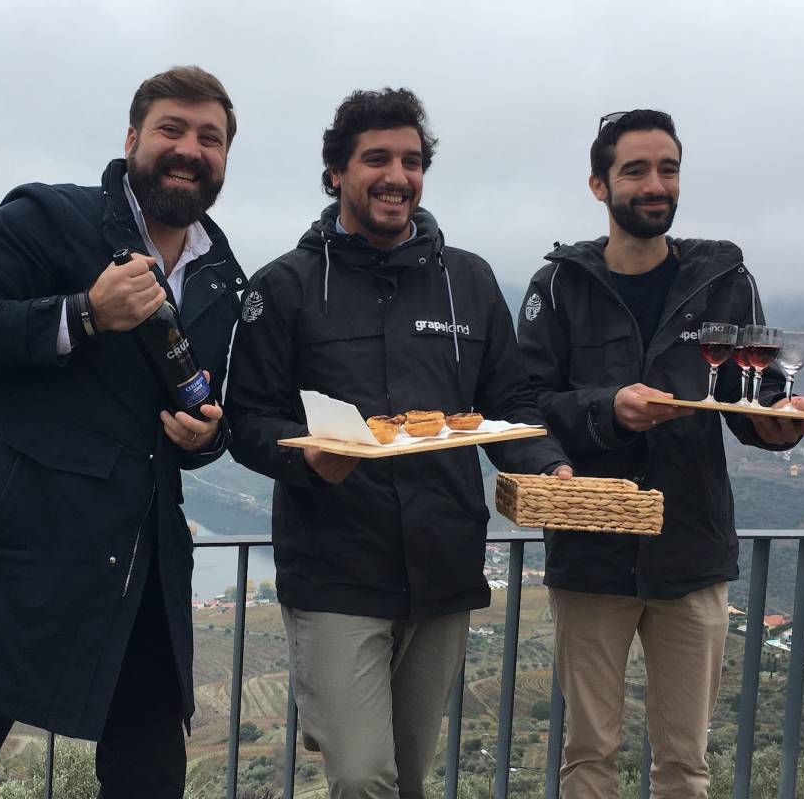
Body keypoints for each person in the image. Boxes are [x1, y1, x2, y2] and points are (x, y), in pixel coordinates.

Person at [0, 66, 247, 798]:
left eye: (210, 138)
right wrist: (84, 313)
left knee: (149, 780)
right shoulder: (48, 217)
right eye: (172, 129)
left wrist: (207, 440)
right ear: (134, 137)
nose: (190, 149)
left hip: (137, 566)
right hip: (14, 549)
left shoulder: (223, 278)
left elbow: (198, 414)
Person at [226, 88, 572, 798]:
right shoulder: (285, 287)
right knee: (362, 777)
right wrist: (305, 455)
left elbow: (507, 403)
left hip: (444, 569)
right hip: (335, 571)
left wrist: (549, 466)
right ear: (336, 173)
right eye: (376, 158)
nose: (397, 175)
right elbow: (248, 421)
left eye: (411, 161)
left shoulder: (468, 282)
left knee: (406, 779)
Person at [517, 109, 804, 798]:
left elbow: (753, 393)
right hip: (592, 548)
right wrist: (609, 409)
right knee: (589, 753)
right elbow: (526, 401)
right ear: (599, 185)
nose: (657, 184)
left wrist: (779, 423)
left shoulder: (724, 279)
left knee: (685, 764)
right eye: (637, 170)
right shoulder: (557, 285)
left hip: (691, 549)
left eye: (669, 169)